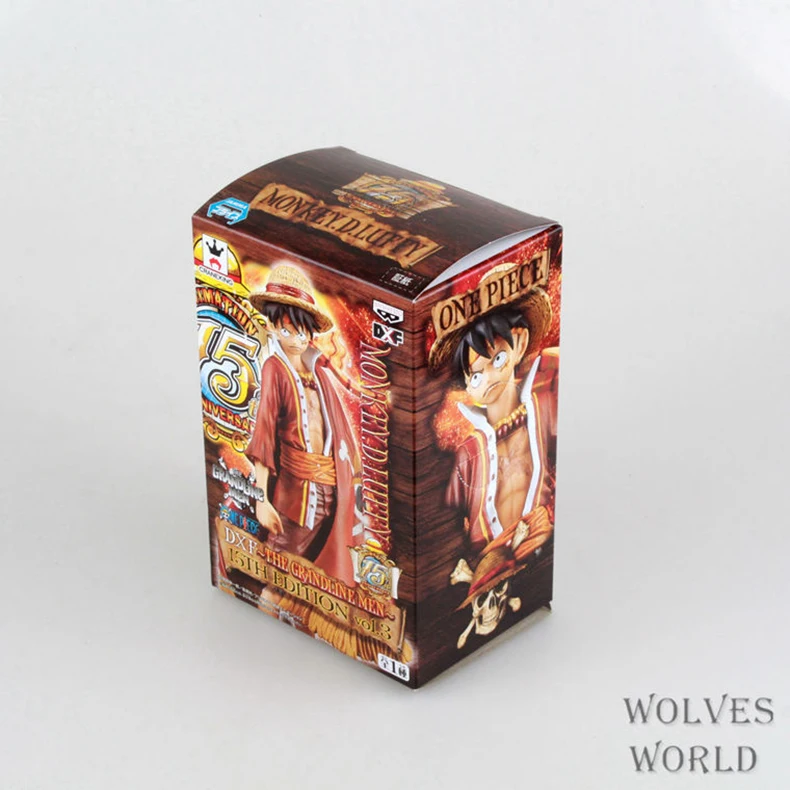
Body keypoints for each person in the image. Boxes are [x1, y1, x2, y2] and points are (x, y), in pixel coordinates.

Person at [245, 265, 362, 586]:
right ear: (272, 327)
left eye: (302, 332)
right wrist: (261, 499)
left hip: (332, 490)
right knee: (282, 568)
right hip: (296, 495)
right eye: (287, 330)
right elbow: (264, 435)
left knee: (324, 574)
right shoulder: (275, 368)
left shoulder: (319, 371)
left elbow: (338, 430)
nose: (297, 340)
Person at [440, 265, 558, 558]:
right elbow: (450, 520)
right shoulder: (468, 452)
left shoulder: (545, 405)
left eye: (497, 359)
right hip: (486, 569)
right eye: (476, 376)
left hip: (540, 559)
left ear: (519, 343)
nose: (488, 378)